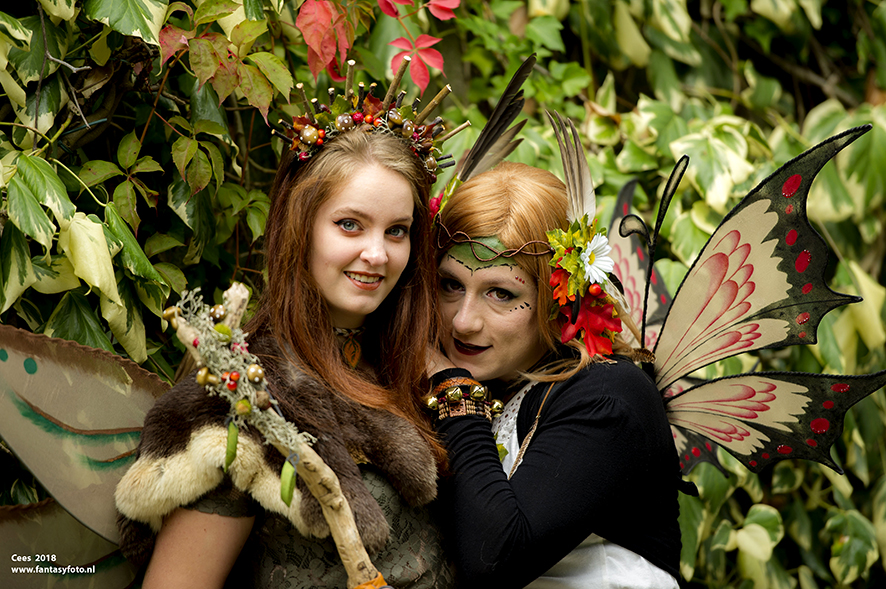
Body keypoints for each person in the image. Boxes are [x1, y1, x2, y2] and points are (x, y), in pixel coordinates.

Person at [114, 118, 455, 588]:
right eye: (350, 225)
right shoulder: (243, 392)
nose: (378, 254)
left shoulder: (420, 367)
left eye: (397, 231)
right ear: (300, 227)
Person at [428, 160, 682, 588]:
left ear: (558, 299)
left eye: (501, 293)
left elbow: (493, 562)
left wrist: (455, 390)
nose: (463, 321)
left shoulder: (609, 396)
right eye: (450, 285)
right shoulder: (497, 378)